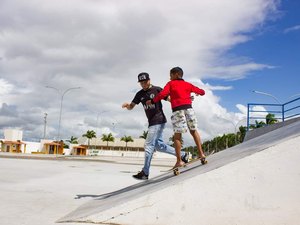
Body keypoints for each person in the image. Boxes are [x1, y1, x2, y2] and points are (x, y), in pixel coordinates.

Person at [122, 72, 189, 180]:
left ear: (149, 80)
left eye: (145, 82)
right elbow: (132, 106)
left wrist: (183, 99)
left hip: (158, 120)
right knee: (159, 146)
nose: (143, 84)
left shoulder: (157, 90)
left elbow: (170, 98)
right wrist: (127, 106)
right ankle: (183, 155)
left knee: (148, 145)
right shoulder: (139, 94)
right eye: (141, 83)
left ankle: (145, 172)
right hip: (152, 122)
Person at [146, 66, 206, 169]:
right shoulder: (188, 84)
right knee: (194, 131)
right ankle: (201, 154)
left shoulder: (171, 84)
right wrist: (197, 93)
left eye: (171, 75)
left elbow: (162, 94)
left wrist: (152, 101)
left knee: (177, 136)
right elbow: (202, 91)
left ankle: (179, 161)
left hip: (178, 111)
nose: (169, 78)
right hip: (189, 109)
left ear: (177, 74)